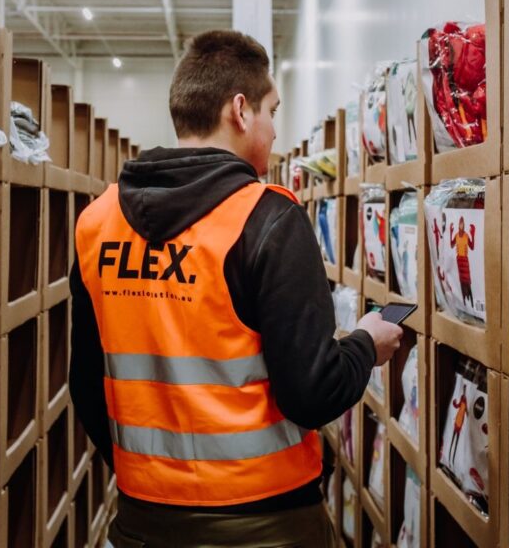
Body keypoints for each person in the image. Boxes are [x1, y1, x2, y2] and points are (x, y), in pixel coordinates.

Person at [69, 30, 403, 547]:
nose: (273, 130)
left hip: (142, 521)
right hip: (264, 523)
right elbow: (312, 394)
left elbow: (88, 385)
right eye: (273, 110)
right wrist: (366, 344)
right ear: (241, 111)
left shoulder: (97, 223)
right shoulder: (267, 218)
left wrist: (153, 478)